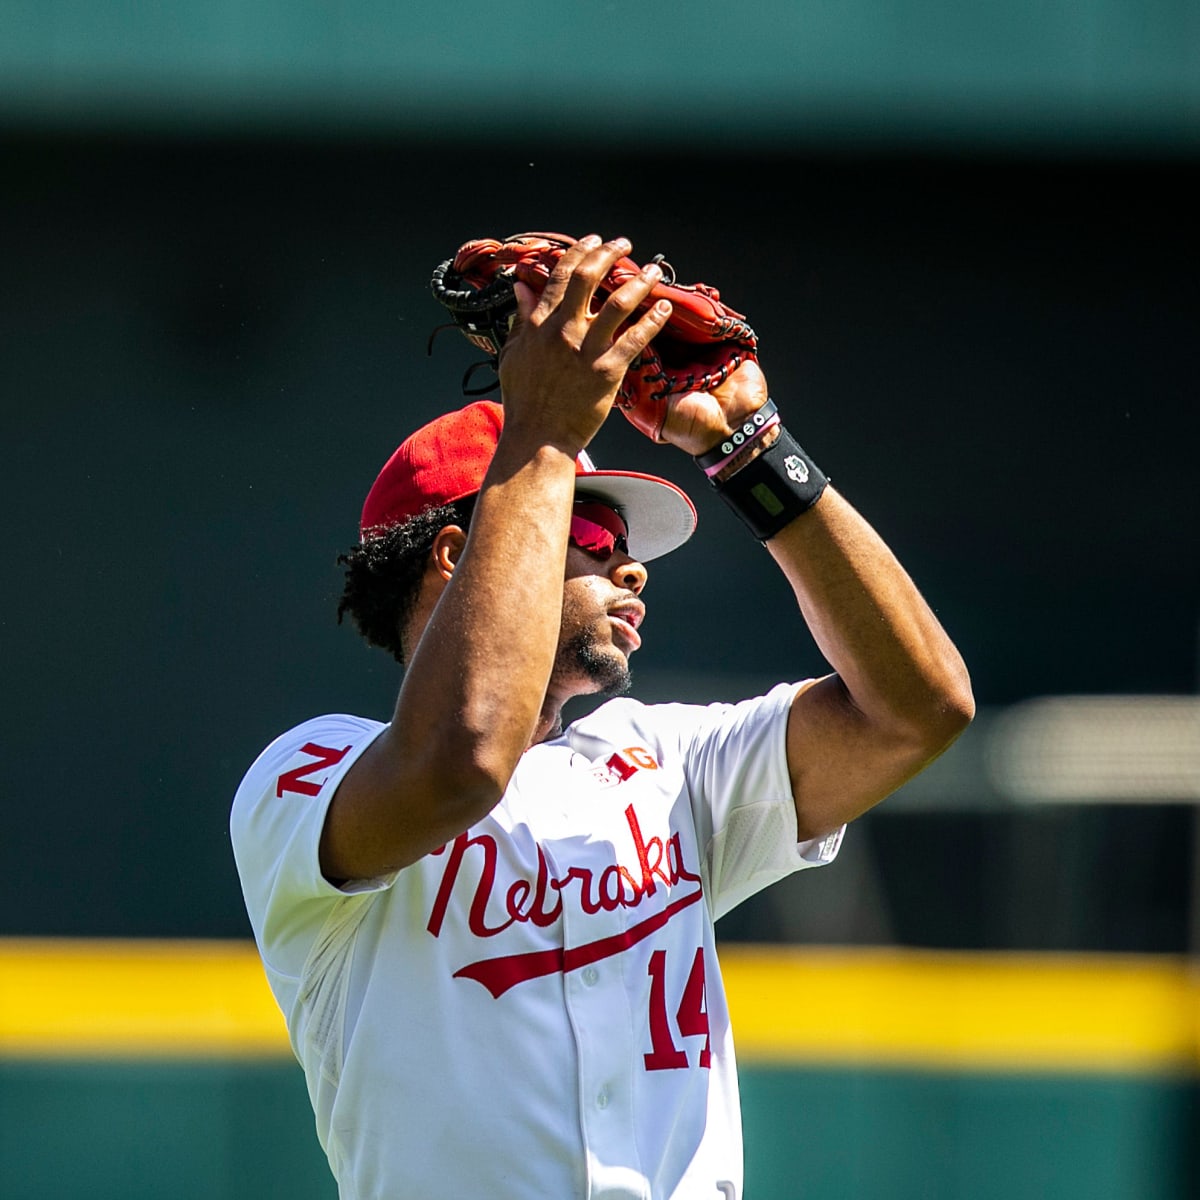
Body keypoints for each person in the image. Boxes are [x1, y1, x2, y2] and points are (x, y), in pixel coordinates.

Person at [230, 234, 974, 1200]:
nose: (629, 567)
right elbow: (460, 759)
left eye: (627, 544)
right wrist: (536, 438)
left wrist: (752, 448)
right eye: (587, 532)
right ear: (461, 557)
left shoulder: (665, 764)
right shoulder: (308, 775)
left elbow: (919, 709)